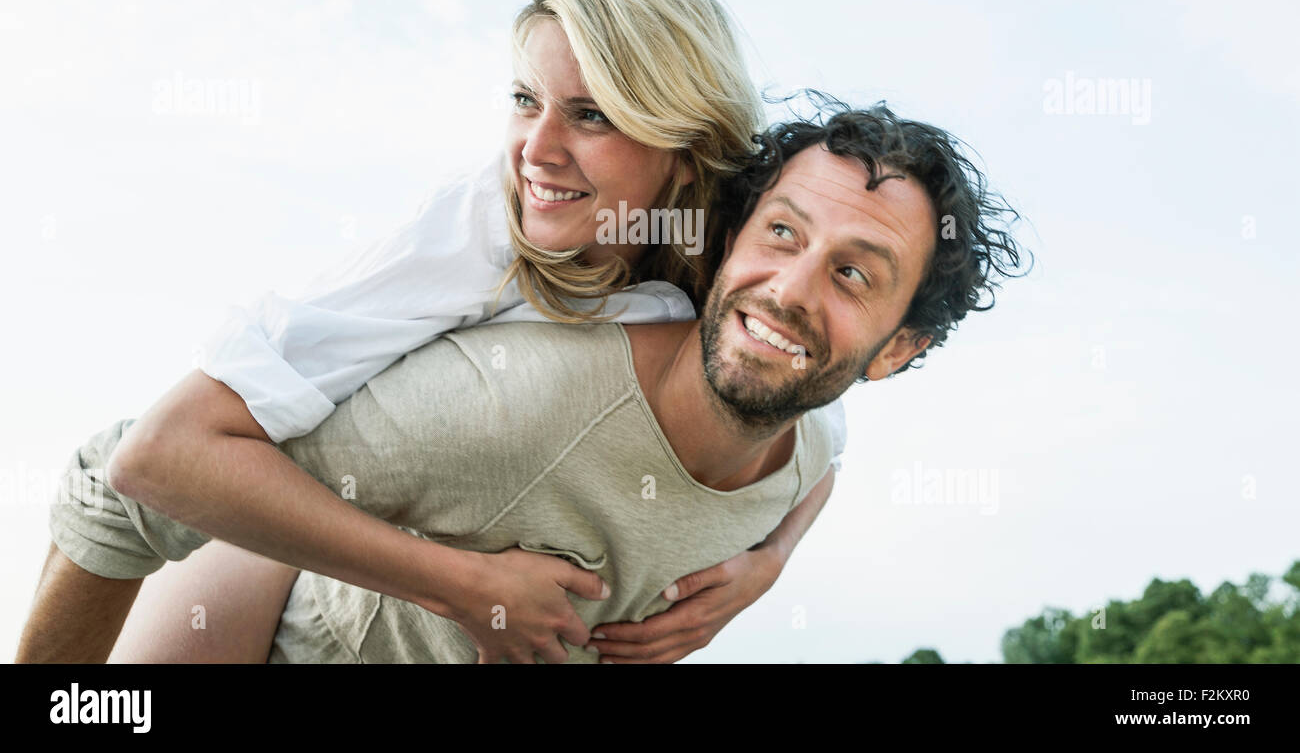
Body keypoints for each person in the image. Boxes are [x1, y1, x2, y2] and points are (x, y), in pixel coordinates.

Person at [35, 0, 848, 664]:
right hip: (260, 570)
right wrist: (462, 585)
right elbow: (150, 461)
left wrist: (767, 564)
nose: (536, 148)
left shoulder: (739, 269)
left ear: (688, 148)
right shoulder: (483, 227)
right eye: (526, 99)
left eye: (591, 114)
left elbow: (826, 433)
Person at [19, 98, 1029, 663]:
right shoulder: (511, 399)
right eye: (780, 233)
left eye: (853, 273)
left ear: (896, 351)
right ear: (723, 246)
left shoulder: (804, 446)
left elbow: (816, 458)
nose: (790, 288)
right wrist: (460, 583)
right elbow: (128, 478)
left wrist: (771, 564)